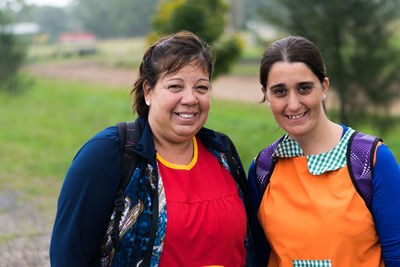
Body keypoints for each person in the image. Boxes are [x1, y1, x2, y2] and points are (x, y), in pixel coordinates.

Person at [50, 31, 254, 266]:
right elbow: (69, 256)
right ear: (148, 91)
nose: (190, 99)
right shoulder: (108, 153)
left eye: (201, 88)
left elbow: (250, 247)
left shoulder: (222, 152)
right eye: (175, 86)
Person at [247, 36, 400, 267]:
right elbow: (258, 256)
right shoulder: (263, 169)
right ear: (266, 94)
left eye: (304, 88)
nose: (293, 104)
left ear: (324, 87)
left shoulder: (371, 160)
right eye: (280, 92)